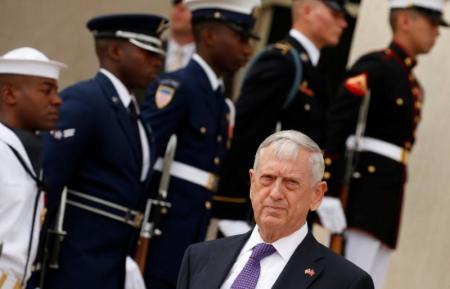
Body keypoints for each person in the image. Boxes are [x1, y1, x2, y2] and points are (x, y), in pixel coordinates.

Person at [324, 0, 448, 288]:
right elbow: (339, 122)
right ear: (405, 20)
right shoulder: (376, 66)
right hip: (363, 193)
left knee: (372, 281)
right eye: (430, 22)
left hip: (387, 197)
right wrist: (328, 186)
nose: (436, 32)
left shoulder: (412, 83)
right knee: (350, 277)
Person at [38, 14, 168, 289]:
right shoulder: (85, 102)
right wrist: (36, 262)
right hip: (73, 263)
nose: (157, 60)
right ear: (115, 51)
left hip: (113, 264)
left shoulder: (135, 114)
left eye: (158, 53)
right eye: (147, 52)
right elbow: (49, 183)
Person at [140, 0, 261, 288]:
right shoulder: (179, 87)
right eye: (240, 38)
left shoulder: (220, 100)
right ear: (208, 36)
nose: (248, 50)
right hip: (161, 229)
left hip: (191, 228)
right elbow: (142, 157)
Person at [213, 0, 349, 232]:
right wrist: (231, 209)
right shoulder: (281, 61)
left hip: (290, 211)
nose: (343, 23)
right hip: (259, 212)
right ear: (306, 10)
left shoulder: (314, 68)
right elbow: (246, 134)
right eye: (335, 14)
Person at [177, 130, 374, 289]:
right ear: (253, 184)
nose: (275, 193)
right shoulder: (199, 258)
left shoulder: (347, 283)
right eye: (267, 179)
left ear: (316, 195)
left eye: (291, 182)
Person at [0, 47, 65, 288]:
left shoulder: (26, 150)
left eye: (56, 90)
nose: (57, 100)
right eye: (46, 90)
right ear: (9, 94)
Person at [164, 0, 196, 72]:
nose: (179, 9)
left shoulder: (209, 57)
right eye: (176, 3)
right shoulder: (151, 53)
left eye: (188, 6)